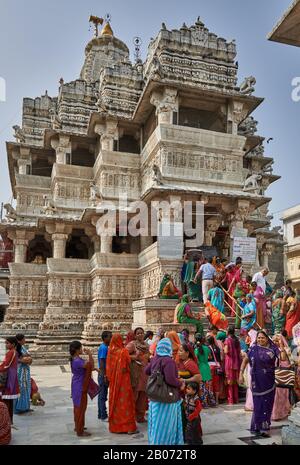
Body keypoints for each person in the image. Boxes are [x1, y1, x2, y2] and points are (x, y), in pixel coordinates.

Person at [239, 330, 280, 437]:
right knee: (257, 405)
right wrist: (240, 373)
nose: (260, 340)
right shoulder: (253, 348)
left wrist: (282, 346)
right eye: (259, 338)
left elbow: (283, 358)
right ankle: (256, 426)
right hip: (256, 382)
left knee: (267, 405)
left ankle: (265, 428)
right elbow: (245, 360)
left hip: (268, 382)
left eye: (263, 338)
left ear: (267, 339)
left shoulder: (273, 349)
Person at [145, 338, 184, 445]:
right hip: (167, 398)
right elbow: (170, 380)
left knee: (156, 423)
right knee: (166, 424)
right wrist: (181, 383)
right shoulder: (168, 361)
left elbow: (146, 371)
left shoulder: (155, 358)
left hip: (155, 398)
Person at [106, 333, 137, 434]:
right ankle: (128, 427)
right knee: (126, 402)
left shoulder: (110, 351)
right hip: (124, 381)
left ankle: (116, 427)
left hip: (114, 382)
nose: (123, 341)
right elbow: (129, 361)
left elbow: (109, 368)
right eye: (121, 339)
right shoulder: (123, 352)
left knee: (116, 402)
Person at [70, 341, 97, 437]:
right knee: (80, 407)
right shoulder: (78, 361)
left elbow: (88, 367)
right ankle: (80, 430)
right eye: (81, 348)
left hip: (76, 383)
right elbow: (90, 365)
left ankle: (78, 425)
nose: (82, 350)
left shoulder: (75, 359)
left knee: (77, 407)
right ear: (77, 350)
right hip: (80, 385)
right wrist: (90, 354)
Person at [126, 327, 150, 423]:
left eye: (142, 333)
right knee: (134, 395)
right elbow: (123, 355)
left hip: (145, 373)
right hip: (135, 374)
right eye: (138, 333)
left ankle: (140, 416)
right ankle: (131, 417)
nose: (140, 335)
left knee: (143, 396)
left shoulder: (147, 345)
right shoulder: (132, 344)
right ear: (135, 335)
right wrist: (134, 357)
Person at [271, 334, 291, 421]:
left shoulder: (286, 349)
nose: (275, 342)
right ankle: (275, 414)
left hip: (283, 374)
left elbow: (283, 358)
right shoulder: (271, 349)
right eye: (274, 341)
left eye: (277, 340)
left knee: (282, 394)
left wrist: (281, 345)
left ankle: (282, 412)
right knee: (276, 395)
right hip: (274, 373)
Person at [0, 337, 19, 423]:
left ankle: (6, 421)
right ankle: (10, 421)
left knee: (5, 400)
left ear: (13, 344)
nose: (6, 345)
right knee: (9, 400)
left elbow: (5, 365)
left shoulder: (11, 352)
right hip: (12, 376)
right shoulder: (15, 352)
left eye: (8, 343)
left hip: (8, 378)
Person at [194, 334, 215, 408]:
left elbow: (196, 359)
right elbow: (210, 357)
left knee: (202, 388)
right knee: (209, 386)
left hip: (200, 368)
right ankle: (212, 402)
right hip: (207, 367)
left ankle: (204, 403)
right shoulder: (207, 348)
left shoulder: (196, 350)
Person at [14, 334, 32, 414]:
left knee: (27, 387)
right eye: (24, 339)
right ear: (19, 340)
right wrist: (24, 360)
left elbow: (28, 356)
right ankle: (19, 408)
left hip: (26, 370)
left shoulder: (23, 347)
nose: (25, 340)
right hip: (20, 371)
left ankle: (26, 406)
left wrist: (29, 360)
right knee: (21, 388)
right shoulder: (15, 349)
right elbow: (16, 359)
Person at [224, 326, 242, 405]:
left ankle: (230, 400)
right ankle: (236, 399)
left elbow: (226, 351)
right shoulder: (237, 340)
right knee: (235, 382)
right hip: (236, 362)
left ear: (228, 331)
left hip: (229, 362)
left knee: (230, 382)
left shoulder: (227, 340)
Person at [97, 331, 112, 421]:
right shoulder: (104, 348)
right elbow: (102, 362)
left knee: (101, 395)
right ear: (105, 338)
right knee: (103, 395)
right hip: (103, 374)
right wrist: (105, 375)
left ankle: (100, 413)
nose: (111, 338)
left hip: (103, 373)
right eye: (110, 337)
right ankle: (103, 415)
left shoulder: (105, 347)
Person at [207, 336, 222, 405]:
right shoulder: (218, 348)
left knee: (210, 384)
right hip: (217, 366)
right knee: (217, 383)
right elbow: (220, 358)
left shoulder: (208, 348)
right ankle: (217, 400)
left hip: (210, 366)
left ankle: (211, 400)